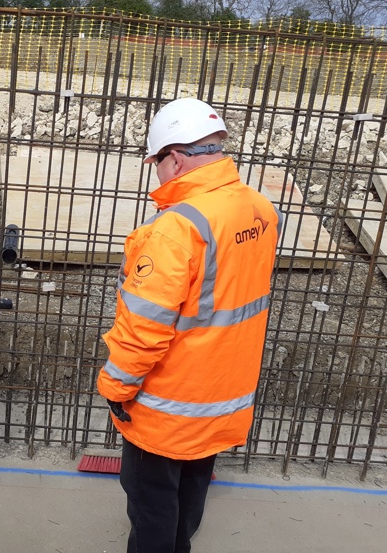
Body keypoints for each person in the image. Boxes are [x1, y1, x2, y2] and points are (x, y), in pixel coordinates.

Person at [97, 98, 281, 553]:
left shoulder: (176, 229)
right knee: (190, 495)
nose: (156, 174)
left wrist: (116, 389)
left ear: (174, 158)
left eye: (155, 163)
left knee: (152, 504)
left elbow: (143, 328)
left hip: (167, 405)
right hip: (222, 396)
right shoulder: (258, 208)